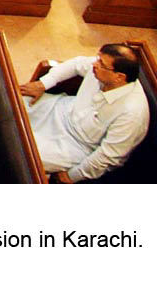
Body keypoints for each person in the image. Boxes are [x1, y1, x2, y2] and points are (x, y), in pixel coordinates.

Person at [19, 44, 150, 183]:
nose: (94, 64)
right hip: (60, 109)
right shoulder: (101, 68)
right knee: (13, 102)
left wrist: (72, 176)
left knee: (21, 153)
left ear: (119, 77)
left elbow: (108, 156)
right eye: (98, 58)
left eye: (101, 63)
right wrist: (43, 84)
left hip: (75, 145)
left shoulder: (132, 114)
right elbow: (76, 64)